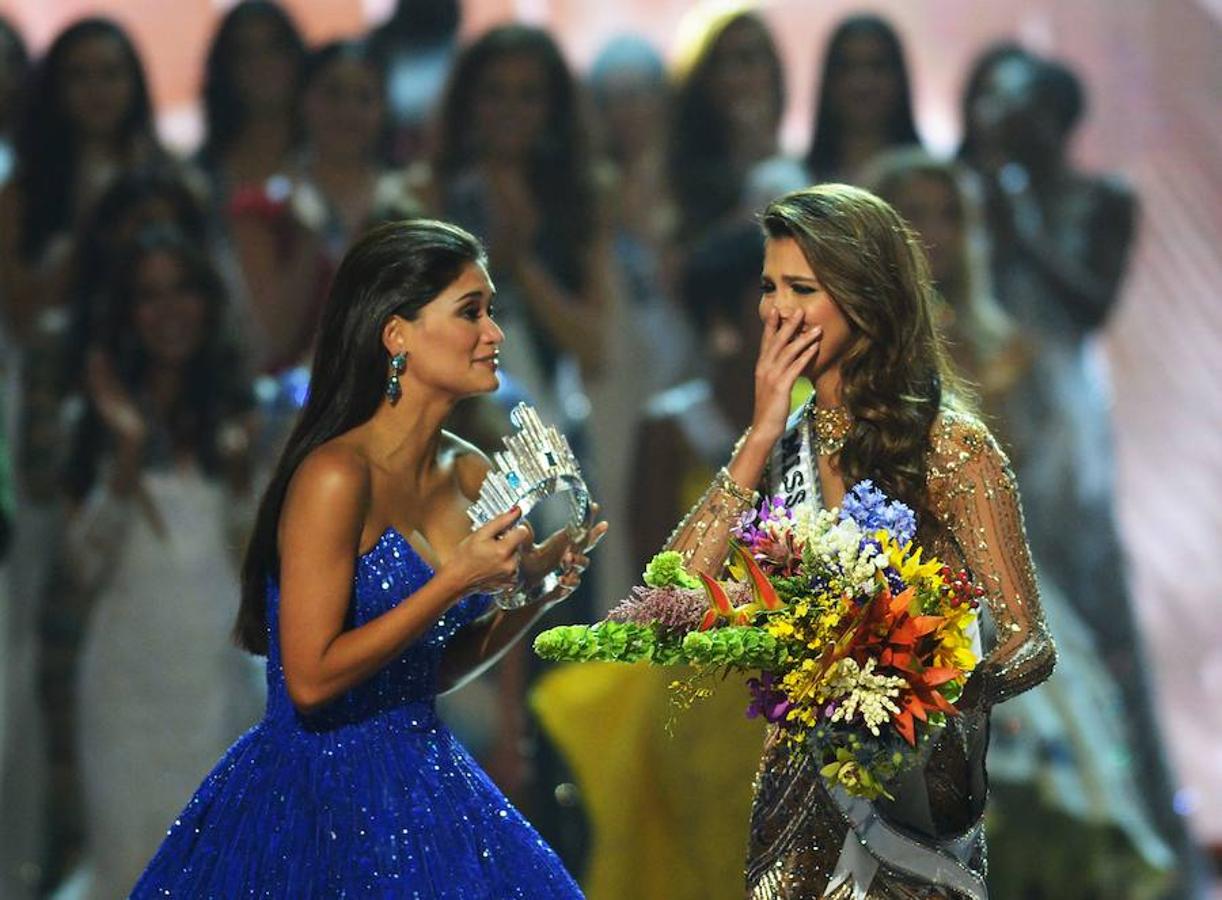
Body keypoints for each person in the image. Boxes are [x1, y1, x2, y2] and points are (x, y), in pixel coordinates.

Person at [131, 219, 604, 897]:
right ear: (396, 334)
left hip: (425, 787)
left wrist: (539, 596)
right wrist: (455, 581)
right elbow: (313, 681)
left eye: (491, 311)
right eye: (471, 312)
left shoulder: (468, 475)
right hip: (311, 799)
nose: (494, 334)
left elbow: (427, 674)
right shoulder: (334, 477)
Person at [661, 185, 1055, 898]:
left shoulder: (954, 449)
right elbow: (674, 595)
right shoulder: (780, 454)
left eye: (801, 289)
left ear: (867, 300)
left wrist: (939, 693)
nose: (774, 310)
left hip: (916, 789)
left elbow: (1029, 637)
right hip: (798, 789)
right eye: (768, 287)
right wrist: (755, 436)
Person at [868, 151, 1175, 897]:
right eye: (915, 216)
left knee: (1043, 822)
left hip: (993, 596)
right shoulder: (852, 355)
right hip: (886, 601)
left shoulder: (1000, 350)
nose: (933, 233)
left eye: (949, 215)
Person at [55, 228, 262, 899]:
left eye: (182, 290)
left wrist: (237, 478)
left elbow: (262, 569)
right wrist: (125, 454)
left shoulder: (243, 415)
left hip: (218, 681)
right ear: (124, 314)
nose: (168, 311)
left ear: (206, 300)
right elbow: (82, 569)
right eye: (148, 296)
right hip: (126, 689)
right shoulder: (87, 419)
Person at [805, 15, 922, 184]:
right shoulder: (789, 183)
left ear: (899, 78)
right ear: (828, 81)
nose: (862, 83)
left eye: (877, 67)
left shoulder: (936, 185)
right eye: (847, 68)